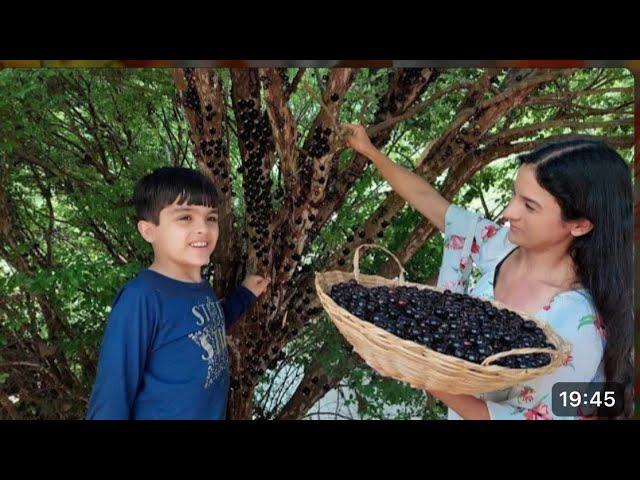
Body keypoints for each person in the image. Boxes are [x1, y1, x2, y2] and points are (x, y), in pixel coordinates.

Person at [345, 124, 633, 420]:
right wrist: (370, 151)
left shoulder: (577, 325)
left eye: (529, 206)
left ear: (580, 225)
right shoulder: (498, 246)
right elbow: (427, 199)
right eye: (514, 195)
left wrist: (418, 371)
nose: (509, 212)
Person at [87, 167, 270, 420]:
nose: (202, 229)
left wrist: (246, 294)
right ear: (148, 230)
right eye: (185, 218)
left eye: (211, 218)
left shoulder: (199, 285)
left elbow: (207, 326)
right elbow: (111, 399)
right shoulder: (141, 299)